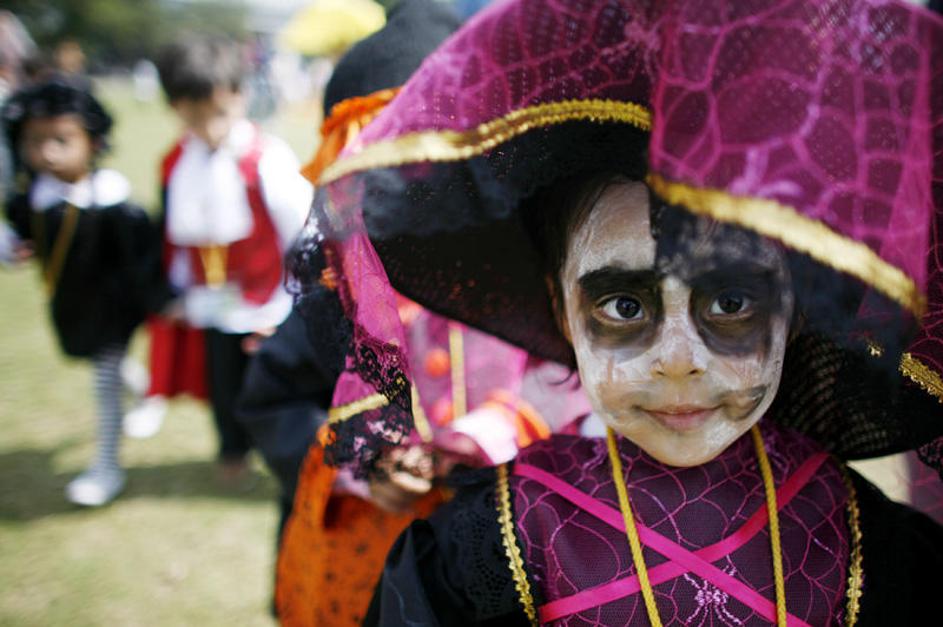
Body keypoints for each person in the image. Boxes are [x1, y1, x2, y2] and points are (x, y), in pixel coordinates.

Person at [292, 0, 943, 624]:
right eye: (625, 304)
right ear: (561, 307)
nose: (678, 361)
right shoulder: (488, 549)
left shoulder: (877, 550)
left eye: (730, 302)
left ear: (794, 310)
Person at [235, 2, 588, 623]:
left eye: (435, 165)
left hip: (504, 547)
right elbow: (273, 400)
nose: (412, 191)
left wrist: (495, 429)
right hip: (361, 563)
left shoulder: (533, 281)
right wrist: (362, 463)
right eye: (382, 170)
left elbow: (575, 379)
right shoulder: (334, 295)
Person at [151, 35, 312, 479]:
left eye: (218, 114)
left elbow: (301, 228)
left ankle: (285, 457)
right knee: (222, 382)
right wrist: (175, 292)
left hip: (269, 300)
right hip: (211, 301)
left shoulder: (266, 159)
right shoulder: (177, 162)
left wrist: (300, 297)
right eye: (194, 117)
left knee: (272, 384)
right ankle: (232, 450)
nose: (209, 128)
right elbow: (175, 237)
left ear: (239, 97)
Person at [2, 78, 168, 506]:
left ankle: (107, 467)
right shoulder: (32, 197)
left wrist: (158, 299)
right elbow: (23, 236)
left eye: (61, 140)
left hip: (111, 311)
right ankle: (148, 391)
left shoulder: (111, 200)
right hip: (70, 305)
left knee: (105, 384)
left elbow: (141, 257)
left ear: (92, 141)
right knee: (106, 367)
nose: (47, 152)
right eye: (35, 141)